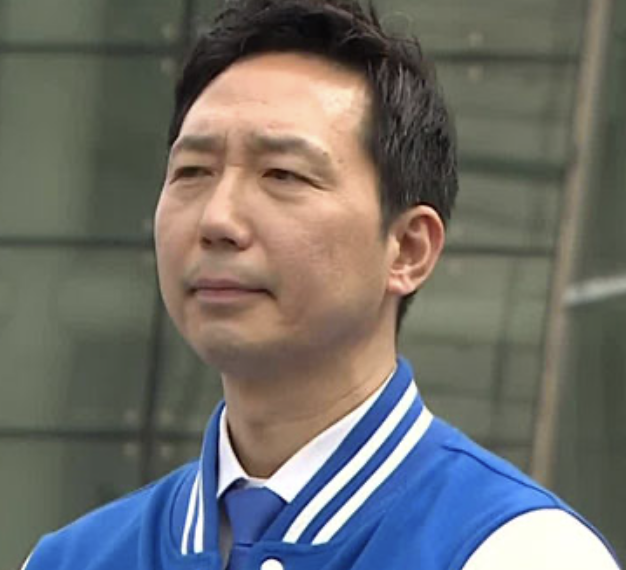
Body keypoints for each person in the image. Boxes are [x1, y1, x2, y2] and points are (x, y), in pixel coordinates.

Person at [21, 1, 621, 569]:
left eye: (283, 174)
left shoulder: (517, 551)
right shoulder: (74, 558)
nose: (218, 220)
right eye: (193, 171)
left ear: (408, 249)